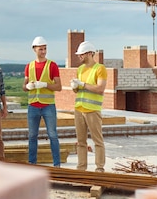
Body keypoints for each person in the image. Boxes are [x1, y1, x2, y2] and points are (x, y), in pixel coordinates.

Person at [23, 36, 62, 166]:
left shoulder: (52, 65)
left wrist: (44, 84)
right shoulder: (29, 66)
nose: (44, 51)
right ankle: (32, 163)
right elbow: (24, 86)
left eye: (45, 49)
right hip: (33, 106)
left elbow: (59, 86)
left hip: (48, 106)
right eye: (41, 49)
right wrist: (28, 87)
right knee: (32, 136)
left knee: (53, 135)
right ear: (34, 49)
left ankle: (57, 164)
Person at [71, 40, 108, 172]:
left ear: (89, 54)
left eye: (81, 54)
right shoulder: (80, 69)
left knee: (97, 140)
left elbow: (100, 88)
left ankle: (99, 167)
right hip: (79, 109)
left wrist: (83, 85)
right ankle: (81, 167)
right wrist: (75, 87)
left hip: (92, 110)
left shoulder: (100, 69)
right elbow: (79, 90)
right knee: (81, 142)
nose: (79, 57)